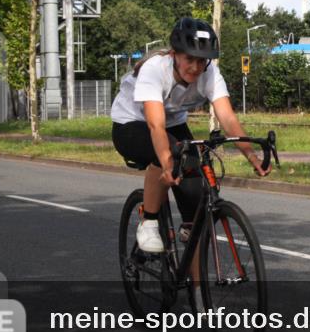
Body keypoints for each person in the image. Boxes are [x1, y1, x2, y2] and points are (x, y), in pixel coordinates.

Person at [110, 17, 270, 253]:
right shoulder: (154, 69)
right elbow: (155, 125)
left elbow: (227, 118)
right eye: (189, 59)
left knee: (196, 219)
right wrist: (167, 162)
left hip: (173, 123)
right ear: (175, 54)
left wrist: (252, 156)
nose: (196, 67)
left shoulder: (209, 73)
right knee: (170, 154)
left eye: (202, 61)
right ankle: (150, 222)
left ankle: (195, 288)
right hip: (132, 123)